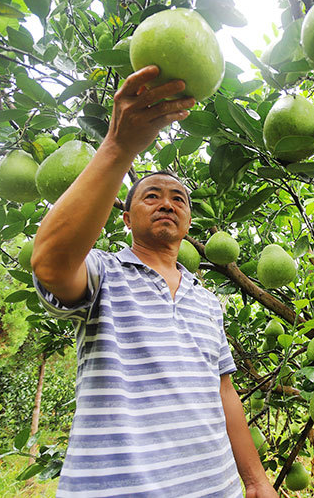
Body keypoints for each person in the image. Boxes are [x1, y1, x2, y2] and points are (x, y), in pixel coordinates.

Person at [31, 66, 278, 498]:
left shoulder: (207, 300)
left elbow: (224, 392)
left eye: (178, 198)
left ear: (188, 220)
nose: (167, 202)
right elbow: (50, 265)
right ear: (125, 218)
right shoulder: (102, 273)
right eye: (151, 195)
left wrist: (256, 481)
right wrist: (117, 147)